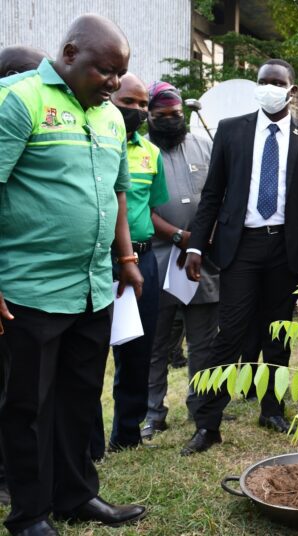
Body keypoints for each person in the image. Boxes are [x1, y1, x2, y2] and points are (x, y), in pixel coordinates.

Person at [0, 14, 147, 535]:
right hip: (29, 290)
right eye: (104, 71)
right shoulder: (19, 99)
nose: (113, 83)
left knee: (80, 398)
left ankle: (76, 496)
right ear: (68, 55)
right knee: (28, 407)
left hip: (92, 288)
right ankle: (30, 515)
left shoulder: (109, 118)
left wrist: (126, 261)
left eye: (120, 73)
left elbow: (117, 192)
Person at [182, 58, 298, 453]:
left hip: (285, 247)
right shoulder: (232, 131)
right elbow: (212, 193)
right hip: (241, 246)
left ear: (291, 90)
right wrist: (196, 244)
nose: (268, 87)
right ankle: (208, 423)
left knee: (278, 334)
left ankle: (272, 408)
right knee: (229, 333)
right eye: (263, 81)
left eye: (276, 82)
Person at [91, 73, 169, 456]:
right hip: (97, 261)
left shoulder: (150, 152)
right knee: (88, 352)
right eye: (129, 104)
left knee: (137, 350)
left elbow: (150, 209)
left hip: (142, 260)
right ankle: (88, 442)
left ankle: (127, 432)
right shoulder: (90, 143)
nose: (137, 111)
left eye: (142, 105)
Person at [141, 81, 219, 441]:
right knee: (156, 343)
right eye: (162, 116)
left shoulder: (205, 145)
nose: (171, 121)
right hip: (158, 259)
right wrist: (175, 236)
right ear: (149, 117)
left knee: (202, 342)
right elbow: (138, 207)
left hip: (201, 259)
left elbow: (219, 196)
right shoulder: (140, 151)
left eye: (176, 115)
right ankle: (152, 414)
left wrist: (198, 242)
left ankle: (201, 409)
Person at [0, 43, 51, 509]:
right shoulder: (14, 107)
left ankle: (66, 491)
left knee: (46, 397)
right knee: (20, 400)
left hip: (63, 287)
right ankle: (22, 500)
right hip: (21, 285)